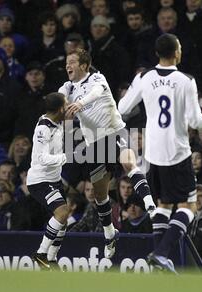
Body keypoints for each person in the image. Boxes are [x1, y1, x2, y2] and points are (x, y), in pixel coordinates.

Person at [118, 33, 202, 272]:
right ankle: (162, 253)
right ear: (177, 52)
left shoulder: (143, 77)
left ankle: (158, 263)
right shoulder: (186, 80)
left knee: (163, 204)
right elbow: (197, 121)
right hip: (177, 151)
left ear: (157, 53)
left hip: (153, 153)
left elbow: (123, 108)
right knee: (189, 206)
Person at [59, 48, 157, 259]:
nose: (68, 65)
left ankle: (150, 205)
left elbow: (95, 94)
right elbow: (59, 98)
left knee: (129, 163)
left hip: (114, 132)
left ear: (84, 65)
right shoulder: (68, 87)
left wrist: (79, 103)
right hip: (95, 144)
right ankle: (110, 234)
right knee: (100, 195)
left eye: (72, 62)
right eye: (67, 62)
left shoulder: (97, 78)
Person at [27, 92, 72, 269]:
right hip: (40, 180)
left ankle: (52, 259)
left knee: (63, 219)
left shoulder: (57, 121)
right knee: (61, 213)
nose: (68, 106)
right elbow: (42, 158)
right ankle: (41, 253)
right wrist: (66, 157)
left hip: (54, 179)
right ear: (60, 109)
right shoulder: (43, 128)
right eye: (66, 104)